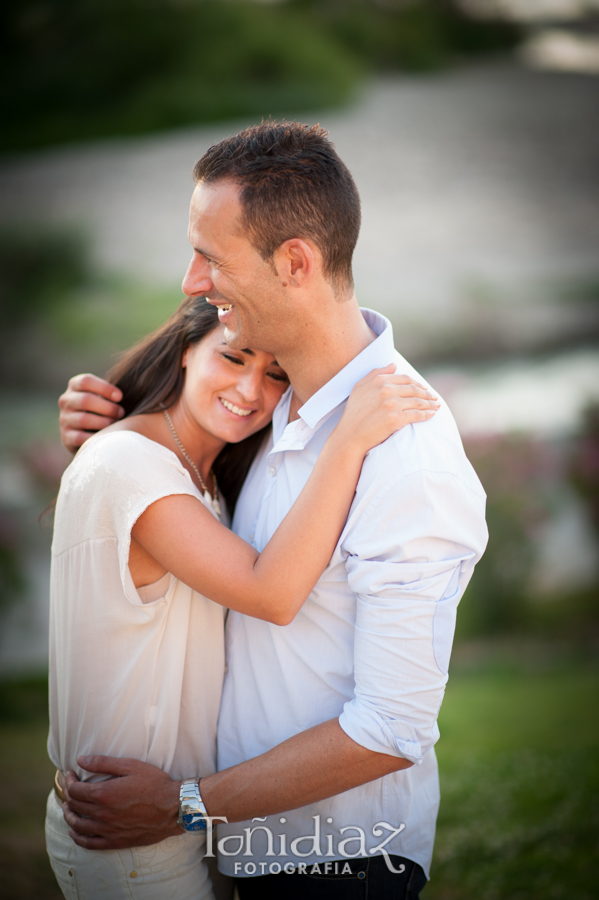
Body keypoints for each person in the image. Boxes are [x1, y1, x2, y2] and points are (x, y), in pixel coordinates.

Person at [57, 121, 488, 899]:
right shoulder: (271, 410)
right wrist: (114, 435)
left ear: (294, 262)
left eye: (211, 257)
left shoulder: (403, 453)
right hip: (237, 853)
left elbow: (390, 728)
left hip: (339, 865)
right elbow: (172, 514)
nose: (192, 280)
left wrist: (185, 807)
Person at [47, 294, 439, 899]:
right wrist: (349, 440)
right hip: (125, 825)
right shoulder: (130, 462)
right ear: (184, 351)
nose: (252, 391)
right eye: (232, 358)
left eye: (277, 373)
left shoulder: (200, 478)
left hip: (174, 818)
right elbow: (271, 593)